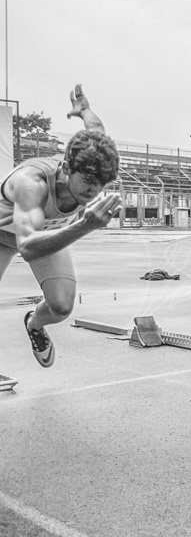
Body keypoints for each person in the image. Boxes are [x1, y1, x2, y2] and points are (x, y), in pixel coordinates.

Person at [0, 85, 121, 367]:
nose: (95, 190)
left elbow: (96, 128)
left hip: (45, 233)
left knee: (62, 306)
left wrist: (85, 110)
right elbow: (28, 247)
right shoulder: (32, 183)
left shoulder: (93, 163)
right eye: (89, 181)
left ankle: (34, 323)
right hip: (6, 234)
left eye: (102, 183)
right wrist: (84, 226)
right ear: (67, 168)